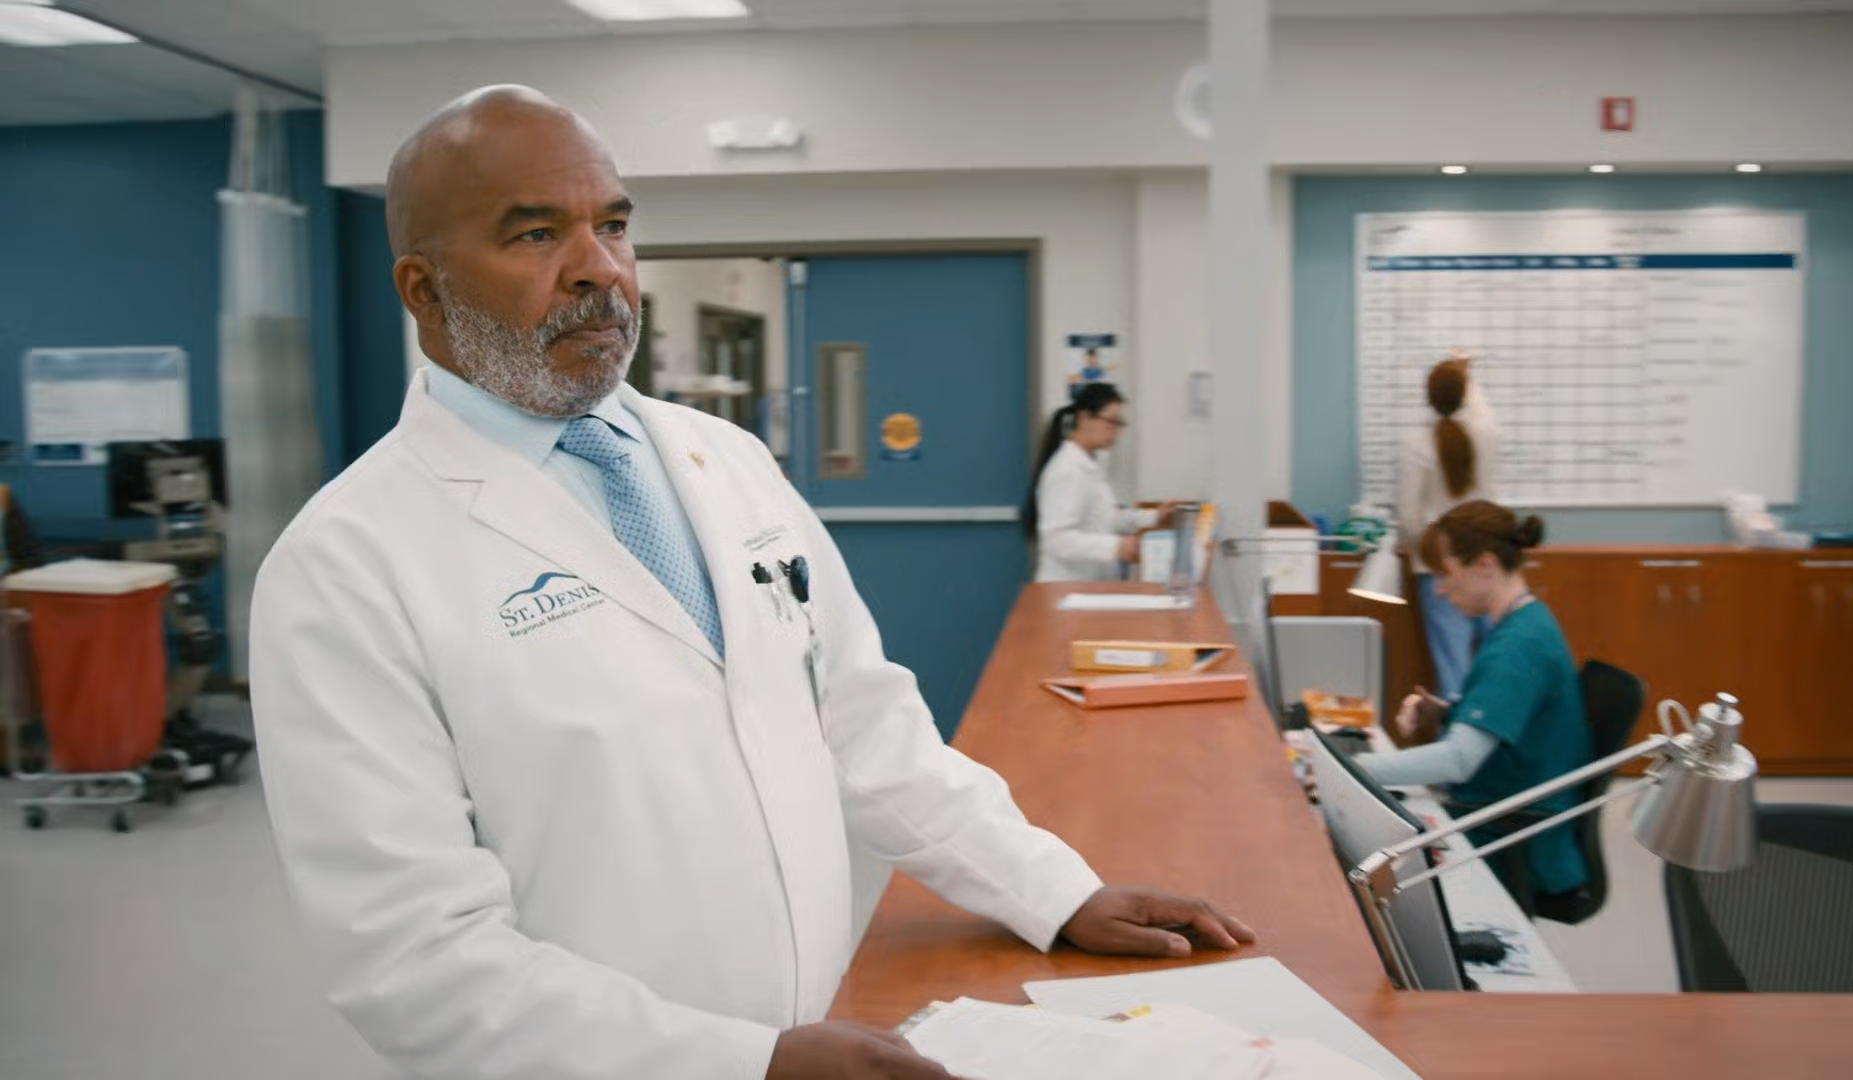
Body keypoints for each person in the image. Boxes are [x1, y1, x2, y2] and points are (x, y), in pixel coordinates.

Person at [248, 86, 1253, 1080]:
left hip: (811, 1029)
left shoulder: (721, 460)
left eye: (614, 226)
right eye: (536, 235)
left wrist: (1052, 890)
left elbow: (864, 722)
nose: (600, 269)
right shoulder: (347, 562)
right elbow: (414, 959)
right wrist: (739, 1062)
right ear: (423, 290)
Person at [1358, 500, 1589, 906]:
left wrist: (1351, 769)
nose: (1440, 589)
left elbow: (1458, 760)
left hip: (1509, 834)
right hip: (1498, 811)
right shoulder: (1525, 624)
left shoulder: (1518, 646)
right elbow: (1509, 721)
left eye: (1446, 573)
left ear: (1485, 564)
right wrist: (1444, 712)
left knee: (1358, 853)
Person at [1396, 353, 1501, 701]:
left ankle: (1456, 736)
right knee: (1497, 668)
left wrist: (1427, 549)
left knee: (1453, 678)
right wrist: (1466, 375)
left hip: (1439, 571)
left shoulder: (1417, 445)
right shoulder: (1488, 434)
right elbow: (1481, 411)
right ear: (1465, 394)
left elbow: (1408, 518)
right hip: (1486, 565)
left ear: (1429, 399)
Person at [1026, 382, 1169, 582]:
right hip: (1065, 586)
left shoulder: (1088, 466)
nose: (1116, 431)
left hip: (1087, 585)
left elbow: (1106, 518)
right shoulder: (1067, 470)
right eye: (1111, 422)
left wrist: (1154, 516)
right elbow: (1056, 540)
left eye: (1120, 424)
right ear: (1085, 418)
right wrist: (1115, 547)